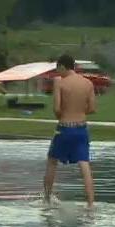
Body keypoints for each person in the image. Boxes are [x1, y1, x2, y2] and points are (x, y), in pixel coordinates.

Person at [44, 54, 96, 208]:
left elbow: (57, 109)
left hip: (64, 128)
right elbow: (92, 108)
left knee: (52, 161)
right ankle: (91, 204)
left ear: (62, 66)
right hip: (81, 128)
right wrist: (79, 111)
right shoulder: (88, 83)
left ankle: (46, 198)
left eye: (58, 69)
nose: (57, 73)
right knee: (84, 164)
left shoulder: (60, 83)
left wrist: (63, 114)